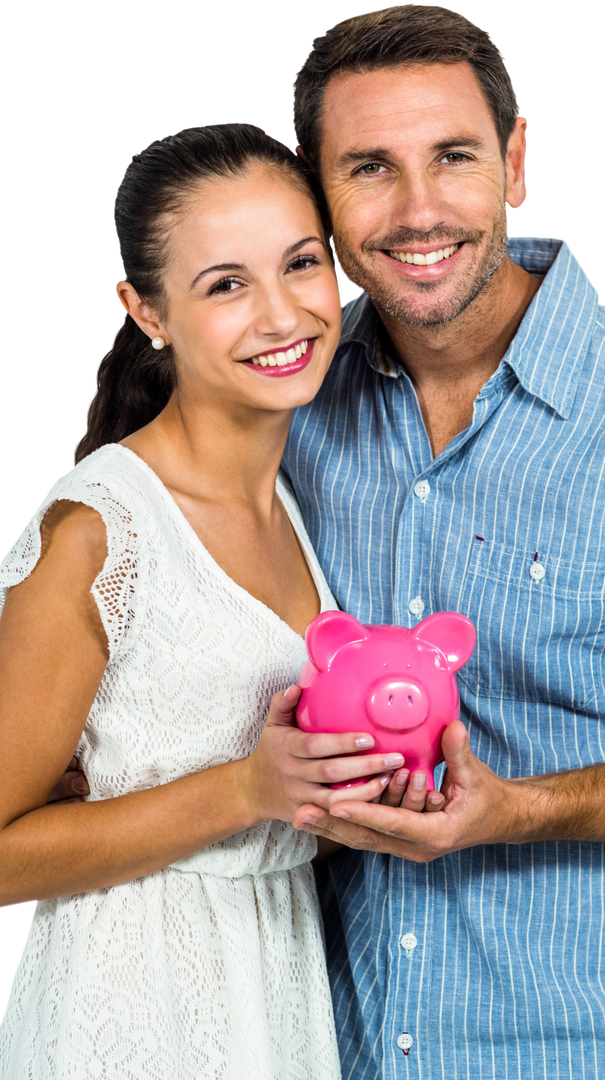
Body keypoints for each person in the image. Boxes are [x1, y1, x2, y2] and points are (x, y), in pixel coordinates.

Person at [33, 3, 605, 1078]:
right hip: (319, 1035)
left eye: (455, 158)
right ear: (318, 195)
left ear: (518, 162)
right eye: (370, 168)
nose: (420, 210)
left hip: (592, 1047)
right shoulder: (287, 404)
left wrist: (518, 811)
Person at [0, 120, 438, 1079]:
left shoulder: (295, 502)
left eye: (301, 264)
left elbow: (271, 821)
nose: (283, 316)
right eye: (227, 284)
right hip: (125, 1003)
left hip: (274, 985)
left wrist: (350, 794)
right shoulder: (100, 531)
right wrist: (245, 788)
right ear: (144, 308)